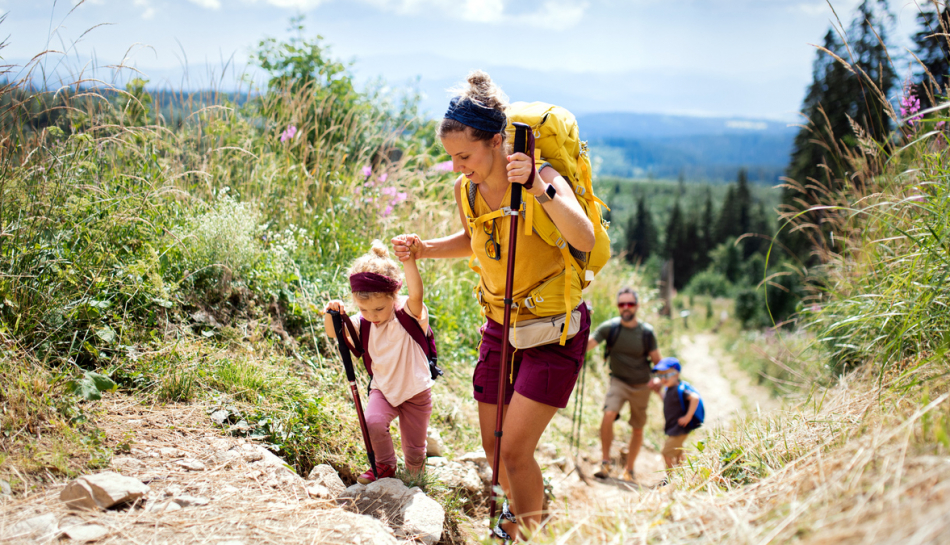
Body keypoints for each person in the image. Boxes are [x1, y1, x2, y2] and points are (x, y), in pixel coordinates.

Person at [392, 70, 594, 541]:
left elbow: (582, 235)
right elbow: (475, 238)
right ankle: (516, 521)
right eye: (452, 158)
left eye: (465, 155)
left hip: (553, 330)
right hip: (500, 326)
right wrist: (425, 249)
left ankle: (529, 534)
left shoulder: (541, 176)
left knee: (516, 451)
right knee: (493, 446)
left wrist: (541, 191)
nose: (459, 166)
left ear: (497, 142)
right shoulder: (468, 189)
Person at [323, 239, 432, 484]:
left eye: (379, 309)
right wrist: (331, 313)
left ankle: (416, 478)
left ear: (394, 296)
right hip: (383, 388)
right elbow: (333, 332)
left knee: (415, 450)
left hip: (416, 390)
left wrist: (409, 261)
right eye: (364, 310)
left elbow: (417, 293)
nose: (372, 316)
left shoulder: (408, 313)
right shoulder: (363, 322)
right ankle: (385, 466)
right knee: (372, 421)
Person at [585, 288, 661, 482]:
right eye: (622, 304)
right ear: (618, 306)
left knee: (637, 428)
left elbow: (658, 362)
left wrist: (660, 380)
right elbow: (588, 344)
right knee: (608, 414)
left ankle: (630, 469)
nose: (626, 308)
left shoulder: (646, 332)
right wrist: (581, 321)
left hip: (642, 385)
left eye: (630, 304)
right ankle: (605, 462)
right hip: (618, 381)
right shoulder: (610, 327)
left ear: (637, 306)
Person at [652, 357, 702, 469]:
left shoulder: (680, 389)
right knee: (678, 452)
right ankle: (683, 474)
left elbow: (695, 398)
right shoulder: (669, 389)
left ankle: (671, 478)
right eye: (660, 376)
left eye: (666, 375)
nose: (663, 379)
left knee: (666, 453)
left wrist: (688, 417)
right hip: (674, 427)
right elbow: (667, 401)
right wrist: (659, 393)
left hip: (679, 428)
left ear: (676, 374)